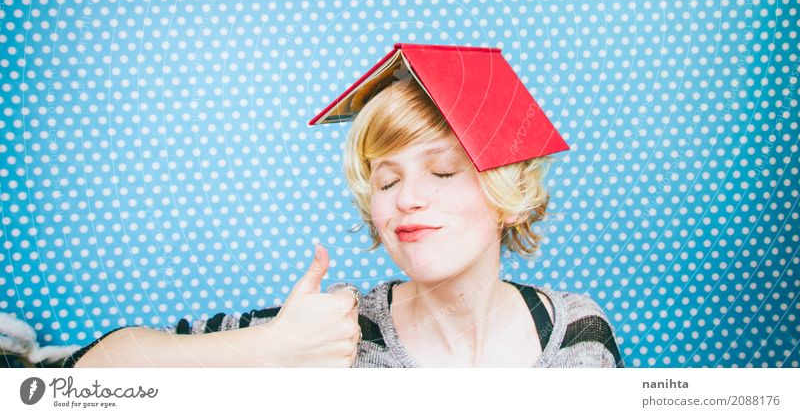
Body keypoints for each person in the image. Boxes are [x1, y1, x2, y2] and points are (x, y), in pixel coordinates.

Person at [64, 43, 623, 367]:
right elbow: (80, 378)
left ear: (508, 194)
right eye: (385, 182)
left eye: (444, 171)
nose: (406, 199)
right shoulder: (338, 334)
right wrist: (271, 346)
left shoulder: (578, 332)